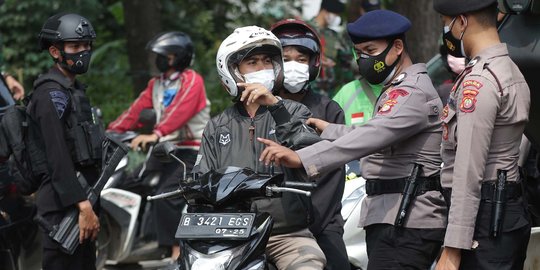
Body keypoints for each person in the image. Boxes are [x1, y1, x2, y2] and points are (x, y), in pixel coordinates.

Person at [258, 10, 447, 269]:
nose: (364, 59)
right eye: (360, 53)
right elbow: (374, 131)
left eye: (370, 50)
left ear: (398, 47)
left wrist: (301, 158)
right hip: (393, 215)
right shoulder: (399, 88)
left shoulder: (411, 92)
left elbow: (372, 136)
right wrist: (329, 130)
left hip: (407, 220)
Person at [194, 25, 326, 269]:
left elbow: (314, 154)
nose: (262, 69)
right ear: (232, 72)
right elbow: (202, 179)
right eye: (252, 62)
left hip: (287, 235)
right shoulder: (217, 125)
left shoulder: (295, 111)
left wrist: (276, 107)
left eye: (267, 61)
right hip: (232, 235)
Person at [433, 1, 531, 269]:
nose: (446, 30)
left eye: (447, 22)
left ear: (462, 22)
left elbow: (468, 170)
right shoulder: (512, 71)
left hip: (484, 220)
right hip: (504, 210)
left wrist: (453, 248)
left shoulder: (480, 82)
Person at [107, 31, 210, 259]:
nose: (159, 60)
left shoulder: (192, 80)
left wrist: (156, 133)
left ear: (179, 58)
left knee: (167, 194)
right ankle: (135, 242)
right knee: (127, 184)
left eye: (167, 56)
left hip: (190, 151)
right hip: (163, 149)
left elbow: (180, 111)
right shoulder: (156, 84)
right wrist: (110, 132)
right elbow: (134, 112)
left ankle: (176, 252)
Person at [270, 19, 349, 270]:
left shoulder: (328, 110)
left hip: (321, 222)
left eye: (301, 58)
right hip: (268, 227)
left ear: (314, 63)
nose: (293, 65)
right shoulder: (258, 110)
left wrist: (307, 225)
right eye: (285, 58)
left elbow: (331, 178)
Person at [32, 13, 102, 269]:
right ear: (55, 51)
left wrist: (88, 206)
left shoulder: (73, 91)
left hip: (83, 202)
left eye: (86, 46)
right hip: (63, 208)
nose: (83, 52)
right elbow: (57, 156)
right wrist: (83, 206)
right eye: (75, 47)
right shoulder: (50, 94)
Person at [309, 0, 351, 96]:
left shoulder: (333, 35)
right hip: (309, 90)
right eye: (335, 14)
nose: (337, 18)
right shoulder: (305, 29)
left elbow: (347, 61)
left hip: (329, 92)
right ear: (325, 11)